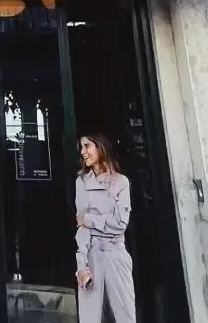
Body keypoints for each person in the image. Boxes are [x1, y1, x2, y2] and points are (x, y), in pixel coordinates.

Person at [74, 133, 136, 323]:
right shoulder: (82, 182)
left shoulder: (120, 182)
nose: (83, 152)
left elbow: (120, 223)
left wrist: (90, 219)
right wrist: (81, 265)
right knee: (89, 317)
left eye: (87, 146)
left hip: (115, 253)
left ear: (100, 147)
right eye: (81, 148)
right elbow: (81, 228)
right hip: (91, 255)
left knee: (124, 314)